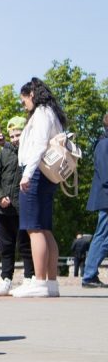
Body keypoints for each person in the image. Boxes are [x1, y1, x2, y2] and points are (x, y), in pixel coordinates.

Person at [12, 78, 67, 298]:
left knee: (33, 228)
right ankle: (50, 282)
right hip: (45, 175)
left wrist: (26, 174)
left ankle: (40, 281)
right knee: (44, 228)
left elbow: (39, 145)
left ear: (31, 94)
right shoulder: (51, 113)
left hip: (36, 172)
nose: (23, 104)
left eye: (23, 99)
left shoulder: (42, 113)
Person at [0, 116, 35, 296]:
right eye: (12, 135)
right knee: (5, 247)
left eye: (18, 134)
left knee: (25, 245)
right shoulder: (3, 153)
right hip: (3, 209)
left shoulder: (30, 152)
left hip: (24, 207)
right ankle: (6, 279)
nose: (15, 138)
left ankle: (29, 278)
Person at [81, 113, 108, 288]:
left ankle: (90, 274)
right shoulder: (104, 144)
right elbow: (106, 175)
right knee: (102, 235)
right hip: (106, 197)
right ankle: (89, 275)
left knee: (103, 236)